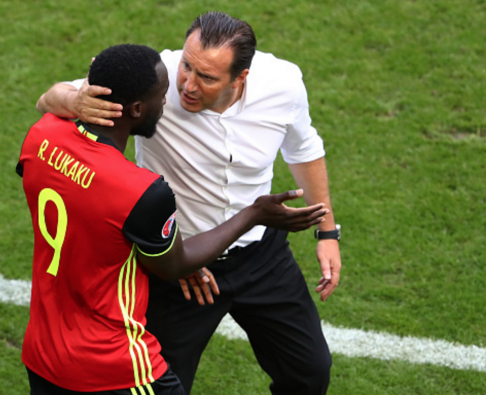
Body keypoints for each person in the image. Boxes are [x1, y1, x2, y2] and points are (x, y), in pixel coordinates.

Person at [36, 11, 341, 395]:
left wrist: (326, 230)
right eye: (186, 65)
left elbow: (303, 148)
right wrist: (75, 100)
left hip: (261, 256)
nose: (187, 85)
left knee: (310, 372)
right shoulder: (155, 81)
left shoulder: (284, 84)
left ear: (240, 78)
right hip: (178, 267)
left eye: (207, 77)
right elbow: (48, 98)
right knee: (164, 384)